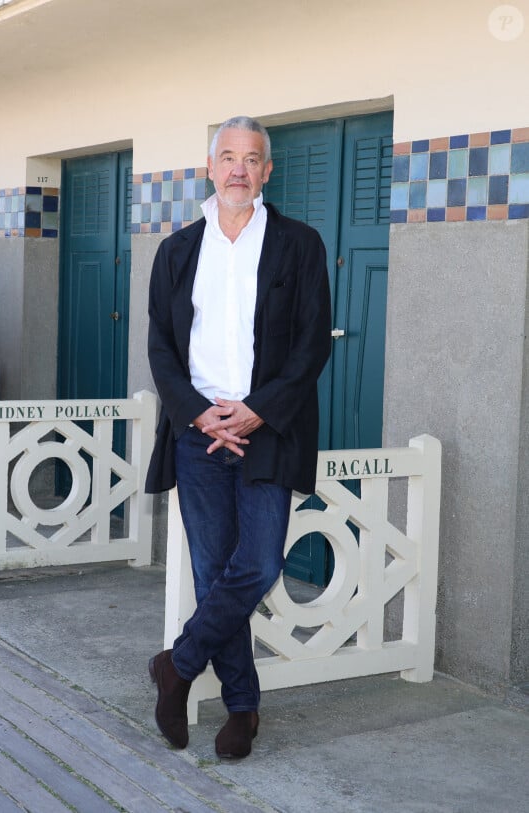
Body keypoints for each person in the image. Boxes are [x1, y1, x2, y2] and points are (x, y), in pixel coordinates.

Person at [145, 116, 332, 759]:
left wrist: (253, 411)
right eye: (227, 156)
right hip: (197, 434)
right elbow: (161, 349)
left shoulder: (299, 245)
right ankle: (242, 710)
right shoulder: (176, 251)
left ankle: (177, 664)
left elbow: (310, 346)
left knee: (256, 563)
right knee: (211, 570)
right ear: (210, 165)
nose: (238, 169)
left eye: (251, 159)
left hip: (268, 430)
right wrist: (200, 414)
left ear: (267, 171)